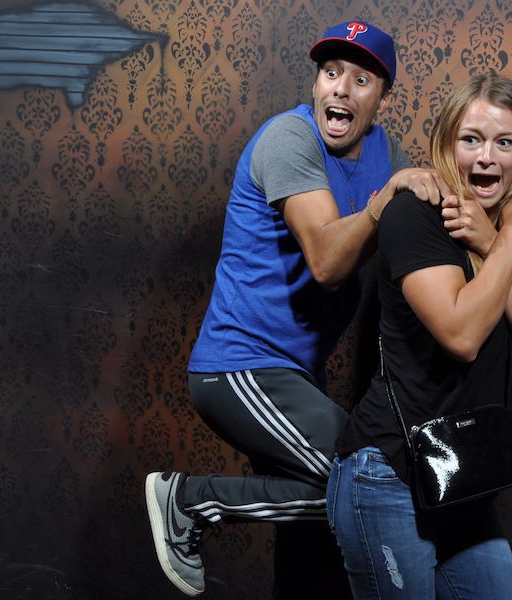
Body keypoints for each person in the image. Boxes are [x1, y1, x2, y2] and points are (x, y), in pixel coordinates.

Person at [144, 20, 446, 598]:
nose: (341, 89)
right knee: (369, 482)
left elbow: (418, 227)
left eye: (361, 80)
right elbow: (330, 264)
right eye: (331, 74)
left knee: (325, 533)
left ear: (383, 97)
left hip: (296, 378)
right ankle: (187, 500)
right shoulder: (290, 139)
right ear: (315, 84)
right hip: (240, 368)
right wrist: (388, 201)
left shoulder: (385, 152)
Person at [326, 73, 512, 599]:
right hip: (389, 474)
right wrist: (506, 240)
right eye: (471, 139)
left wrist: (497, 234)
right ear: (445, 142)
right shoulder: (416, 212)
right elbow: (462, 334)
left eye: (504, 142)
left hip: (464, 479)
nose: (486, 158)